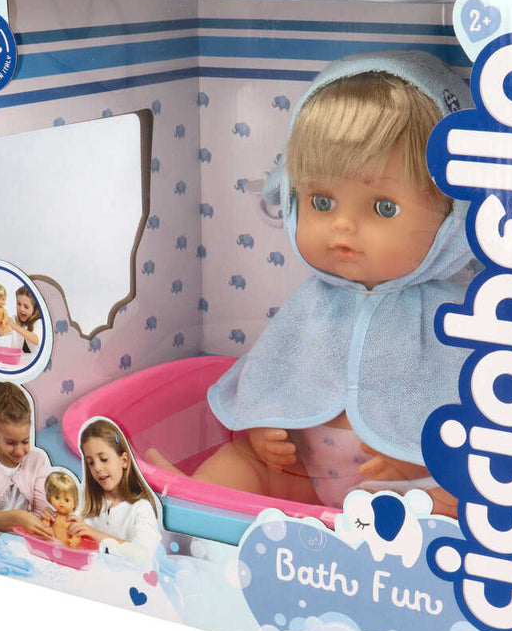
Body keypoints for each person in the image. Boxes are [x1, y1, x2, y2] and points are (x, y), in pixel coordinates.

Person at [147, 52, 472, 517]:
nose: (342, 227)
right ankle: (190, 507)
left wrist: (416, 461)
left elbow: (474, 413)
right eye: (321, 201)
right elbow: (276, 375)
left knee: (455, 498)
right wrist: (264, 431)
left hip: (404, 488)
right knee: (241, 461)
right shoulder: (315, 304)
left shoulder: (455, 316)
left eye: (383, 208)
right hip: (306, 473)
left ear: (454, 212)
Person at [68, 419, 161, 568]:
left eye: (103, 459)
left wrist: (96, 535)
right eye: (91, 462)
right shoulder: (87, 503)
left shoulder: (140, 508)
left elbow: (145, 556)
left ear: (124, 460)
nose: (97, 468)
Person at [0, 381, 52, 538]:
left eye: (25, 441)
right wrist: (18, 518)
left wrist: (48, 516)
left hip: (24, 539)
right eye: (10, 443)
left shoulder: (37, 461)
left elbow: (41, 511)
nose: (19, 451)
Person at [42, 471, 81, 547]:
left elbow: (77, 534)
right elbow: (44, 525)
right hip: (51, 545)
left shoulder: (71, 520)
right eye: (57, 498)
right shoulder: (52, 516)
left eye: (66, 500)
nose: (61, 503)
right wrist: (47, 527)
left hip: (66, 547)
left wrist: (75, 539)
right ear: (50, 497)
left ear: (74, 503)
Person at [9, 285, 43, 354]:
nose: (21, 309)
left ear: (34, 308)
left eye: (26, 307)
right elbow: (0, 333)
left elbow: (36, 340)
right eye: (19, 304)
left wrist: (15, 326)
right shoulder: (14, 319)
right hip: (18, 360)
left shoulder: (39, 322)